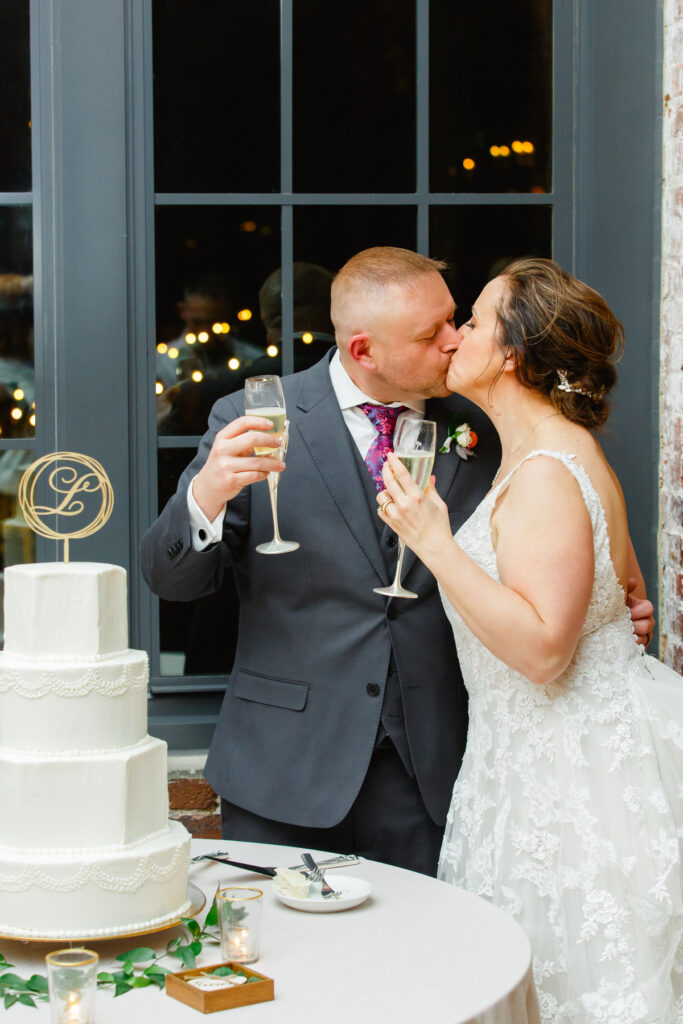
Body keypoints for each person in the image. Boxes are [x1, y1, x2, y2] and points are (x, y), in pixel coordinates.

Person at [140, 247, 653, 876]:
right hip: (286, 767)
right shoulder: (253, 422)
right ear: (364, 350)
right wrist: (207, 495)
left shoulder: (488, 420)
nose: (452, 341)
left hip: (436, 766)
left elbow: (570, 542)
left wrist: (609, 607)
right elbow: (171, 580)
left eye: (455, 319)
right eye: (430, 332)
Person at [377, 258, 681, 1019]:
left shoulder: (547, 467)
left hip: (570, 775)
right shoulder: (544, 451)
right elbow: (623, 594)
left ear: (511, 353)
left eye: (474, 321)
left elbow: (546, 651)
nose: (456, 338)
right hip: (525, 760)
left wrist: (433, 543)